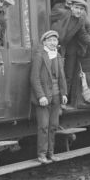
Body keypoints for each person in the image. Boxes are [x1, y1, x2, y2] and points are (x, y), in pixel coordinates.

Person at [51, 0, 90, 101]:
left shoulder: (81, 20)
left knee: (68, 75)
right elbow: (45, 20)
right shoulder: (61, 13)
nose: (79, 11)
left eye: (81, 9)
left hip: (65, 48)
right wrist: (50, 40)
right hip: (53, 47)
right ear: (71, 7)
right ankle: (54, 100)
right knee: (55, 74)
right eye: (77, 8)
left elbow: (83, 34)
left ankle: (63, 100)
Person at [30, 30, 68, 164]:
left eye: (55, 40)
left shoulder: (57, 55)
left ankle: (51, 153)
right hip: (44, 97)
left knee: (53, 126)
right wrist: (41, 96)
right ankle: (41, 155)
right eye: (50, 40)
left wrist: (64, 93)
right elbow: (34, 78)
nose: (53, 43)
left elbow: (62, 77)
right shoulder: (40, 55)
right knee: (44, 126)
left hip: (56, 96)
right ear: (44, 42)